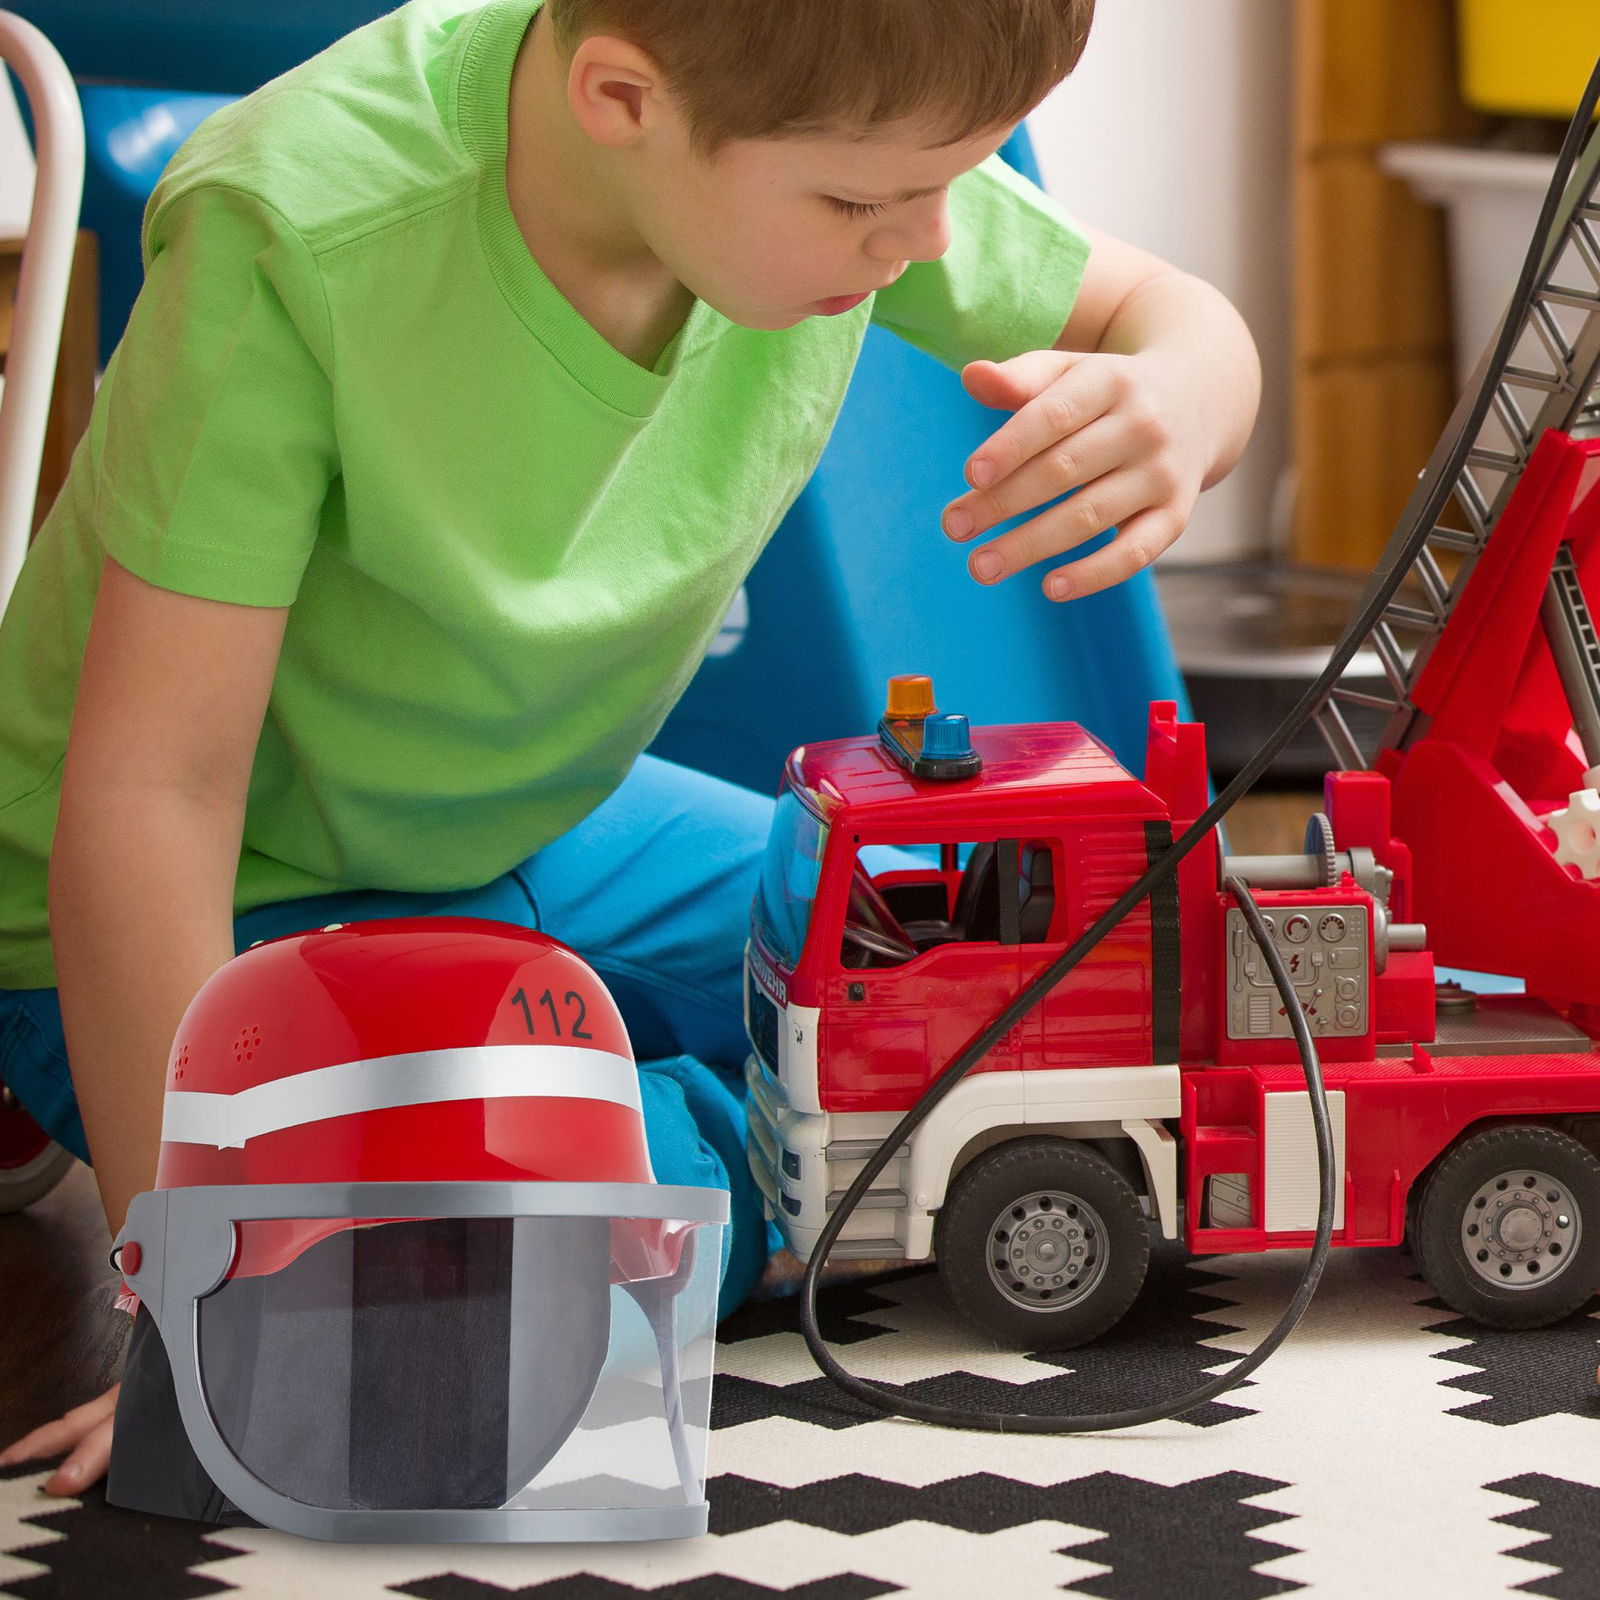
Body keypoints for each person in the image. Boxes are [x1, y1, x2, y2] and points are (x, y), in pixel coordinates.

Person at [0, 0, 1260, 1507]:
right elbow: (153, 798)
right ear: (620, 97)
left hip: (533, 825)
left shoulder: (829, 138)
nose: (929, 243)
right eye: (865, 204)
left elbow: (1170, 312)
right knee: (413, 1290)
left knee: (1007, 983)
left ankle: (720, 1162)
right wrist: (203, 1307)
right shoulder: (295, 234)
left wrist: (1186, 389)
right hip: (206, 904)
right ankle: (767, 1169)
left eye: (952, 183)